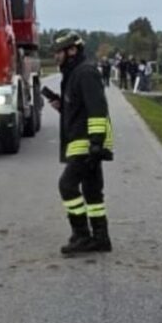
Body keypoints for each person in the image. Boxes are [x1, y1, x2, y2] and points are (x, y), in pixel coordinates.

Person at [48, 30, 115, 255]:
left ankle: (82, 235)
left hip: (86, 143)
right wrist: (61, 105)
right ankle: (101, 238)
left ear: (72, 50)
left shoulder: (84, 73)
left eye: (59, 52)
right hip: (85, 141)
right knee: (92, 191)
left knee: (67, 185)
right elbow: (80, 110)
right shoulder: (74, 73)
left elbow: (97, 109)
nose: (56, 56)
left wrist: (96, 143)